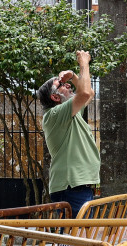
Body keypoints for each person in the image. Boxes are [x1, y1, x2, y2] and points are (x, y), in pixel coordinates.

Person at [36, 50, 99, 217]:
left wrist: (72, 76)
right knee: (76, 240)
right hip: (71, 187)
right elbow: (84, 93)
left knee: (77, 240)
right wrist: (83, 63)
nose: (68, 85)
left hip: (77, 186)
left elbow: (89, 94)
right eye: (61, 85)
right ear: (55, 98)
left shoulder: (70, 113)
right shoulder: (55, 115)